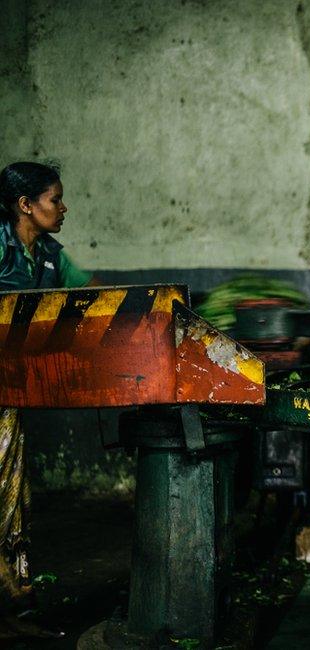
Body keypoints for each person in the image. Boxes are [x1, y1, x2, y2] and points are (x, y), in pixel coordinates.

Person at [0, 161, 92, 639]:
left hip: (7, 393)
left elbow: (96, 295)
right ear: (25, 205)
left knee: (12, 496)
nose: (62, 207)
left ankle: (15, 604)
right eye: (54, 199)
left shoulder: (52, 256)